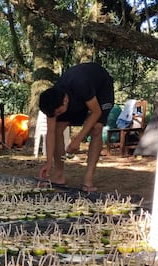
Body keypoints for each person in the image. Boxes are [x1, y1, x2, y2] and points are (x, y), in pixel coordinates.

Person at [38, 62, 114, 193]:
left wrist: (77, 140)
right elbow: (50, 132)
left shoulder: (81, 85)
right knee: (57, 129)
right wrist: (48, 162)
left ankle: (88, 180)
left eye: (58, 113)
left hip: (101, 88)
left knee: (96, 128)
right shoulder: (53, 99)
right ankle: (58, 175)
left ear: (65, 101)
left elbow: (96, 113)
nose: (56, 115)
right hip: (78, 94)